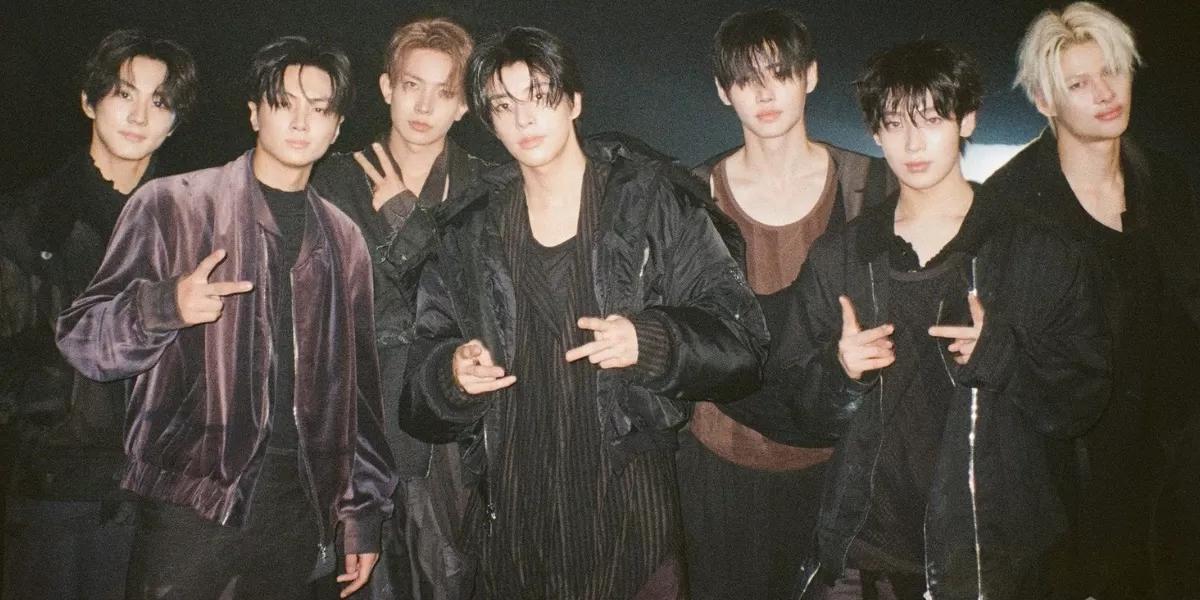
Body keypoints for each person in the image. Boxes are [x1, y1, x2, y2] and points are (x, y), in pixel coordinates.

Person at [399, 26, 768, 599]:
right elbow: (418, 398)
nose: (524, 118)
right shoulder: (468, 231)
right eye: (503, 106)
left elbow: (742, 346)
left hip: (629, 517)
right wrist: (451, 375)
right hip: (513, 523)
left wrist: (652, 342)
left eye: (540, 96)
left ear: (573, 101)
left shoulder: (650, 203)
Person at [54, 36, 394, 599]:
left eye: (319, 108)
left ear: (337, 128)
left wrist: (360, 515)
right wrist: (165, 306)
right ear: (255, 112)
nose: (301, 122)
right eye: (284, 103)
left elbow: (358, 391)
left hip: (298, 504)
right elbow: (83, 339)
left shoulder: (344, 238)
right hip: (188, 500)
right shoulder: (172, 204)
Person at [788, 40, 1109, 599]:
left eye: (932, 119)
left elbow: (1082, 400)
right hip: (868, 557)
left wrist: (1005, 357)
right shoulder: (840, 257)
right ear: (874, 133)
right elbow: (800, 406)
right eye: (894, 123)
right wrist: (841, 374)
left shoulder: (1037, 250)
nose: (913, 143)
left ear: (967, 119)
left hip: (994, 559)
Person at [677, 9, 893, 598]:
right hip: (719, 462)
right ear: (723, 91)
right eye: (745, 79)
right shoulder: (694, 195)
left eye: (780, 72)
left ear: (811, 75)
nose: (765, 93)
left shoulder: (869, 186)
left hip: (836, 465)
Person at [986, 3, 1200, 597]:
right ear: (1044, 100)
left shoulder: (1166, 180)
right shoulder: (1011, 205)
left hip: (1173, 472)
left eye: (1113, 71)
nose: (1105, 93)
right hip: (1069, 480)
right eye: (1078, 84)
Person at [0, 29, 197, 600]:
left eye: (159, 101)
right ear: (89, 101)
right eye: (123, 93)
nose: (139, 115)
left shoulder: (195, 225)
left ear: (174, 122)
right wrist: (53, 396)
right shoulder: (29, 221)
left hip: (167, 496)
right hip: (56, 493)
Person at [311, 16, 488, 600]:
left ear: (463, 106)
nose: (424, 106)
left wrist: (405, 218)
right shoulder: (334, 180)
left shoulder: (485, 188)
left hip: (447, 438)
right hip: (353, 424)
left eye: (444, 92)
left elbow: (478, 304)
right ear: (387, 86)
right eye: (412, 85)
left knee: (447, 579)